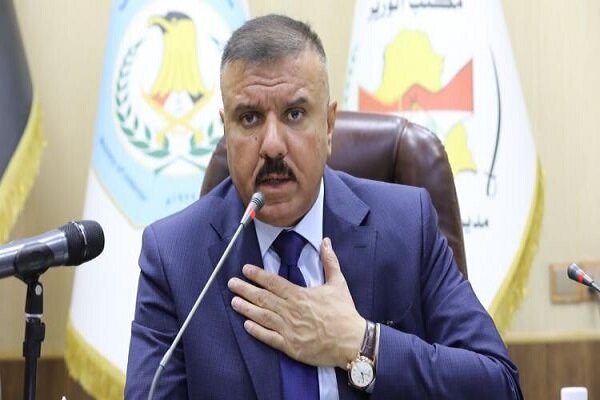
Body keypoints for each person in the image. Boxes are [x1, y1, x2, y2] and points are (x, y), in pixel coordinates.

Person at [125, 14, 523, 399]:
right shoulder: (175, 255)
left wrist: (361, 342)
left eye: (295, 114)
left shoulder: (406, 226)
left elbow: (499, 385)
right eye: (249, 118)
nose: (273, 145)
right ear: (226, 130)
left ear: (328, 126)